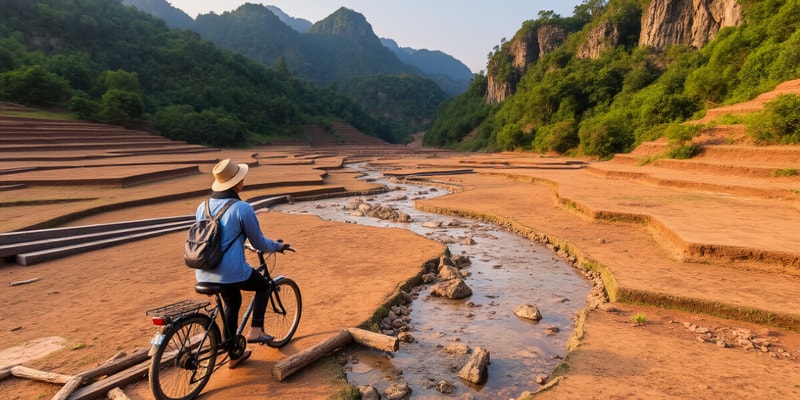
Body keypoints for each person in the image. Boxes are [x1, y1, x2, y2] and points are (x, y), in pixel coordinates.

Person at [195, 158, 289, 368]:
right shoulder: (242, 208)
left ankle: (234, 353)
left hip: (204, 269)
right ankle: (256, 330)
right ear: (237, 183)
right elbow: (259, 243)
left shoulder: (203, 206)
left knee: (232, 301)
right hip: (230, 271)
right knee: (264, 286)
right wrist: (278, 246)